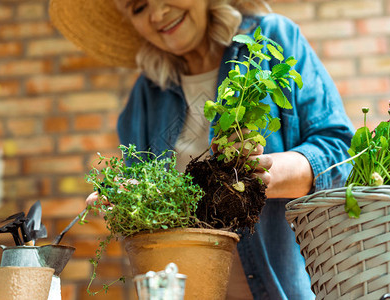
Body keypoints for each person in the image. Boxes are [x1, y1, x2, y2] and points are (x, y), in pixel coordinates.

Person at [49, 0, 355, 299]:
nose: (157, 13)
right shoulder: (145, 97)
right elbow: (149, 226)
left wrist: (261, 175)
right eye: (138, 7)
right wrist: (131, 200)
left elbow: (340, 152)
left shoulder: (271, 40)